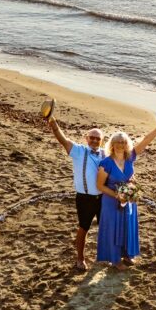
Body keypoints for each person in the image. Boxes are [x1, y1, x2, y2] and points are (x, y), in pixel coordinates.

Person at [96, 119, 156, 270]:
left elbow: (146, 140)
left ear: (127, 144)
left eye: (123, 141)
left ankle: (127, 255)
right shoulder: (106, 163)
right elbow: (100, 186)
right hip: (111, 200)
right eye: (117, 141)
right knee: (114, 228)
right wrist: (117, 195)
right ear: (112, 145)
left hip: (128, 199)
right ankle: (115, 260)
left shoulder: (130, 157)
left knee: (127, 226)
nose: (120, 144)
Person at [48, 116, 105, 271]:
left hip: (103, 198)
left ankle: (106, 255)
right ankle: (80, 258)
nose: (94, 140)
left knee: (105, 228)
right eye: (91, 137)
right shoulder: (79, 151)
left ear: (102, 141)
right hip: (85, 198)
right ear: (86, 138)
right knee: (83, 227)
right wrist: (54, 125)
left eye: (97, 138)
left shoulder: (105, 154)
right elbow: (63, 140)